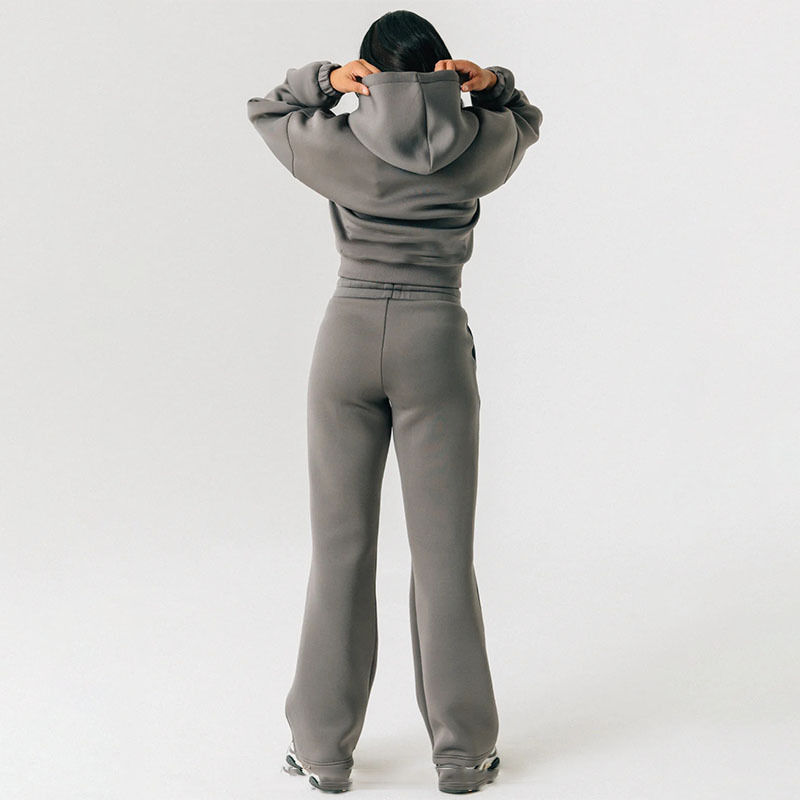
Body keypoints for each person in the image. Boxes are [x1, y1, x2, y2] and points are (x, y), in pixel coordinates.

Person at [246, 9, 542, 794]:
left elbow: (267, 108)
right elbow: (527, 117)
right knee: (443, 558)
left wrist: (325, 81)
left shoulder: (335, 144)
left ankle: (322, 750)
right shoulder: (483, 144)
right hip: (434, 339)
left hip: (346, 340)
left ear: (368, 73)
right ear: (446, 70)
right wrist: (490, 85)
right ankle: (462, 753)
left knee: (340, 550)